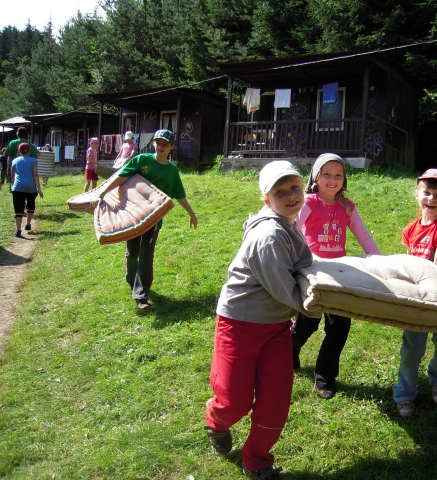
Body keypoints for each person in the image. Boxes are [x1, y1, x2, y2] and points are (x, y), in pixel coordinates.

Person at [205, 161, 319, 480]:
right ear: (266, 199)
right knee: (235, 402)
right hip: (240, 324)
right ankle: (216, 419)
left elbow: (302, 268)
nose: (290, 195)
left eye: (294, 187)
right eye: (279, 192)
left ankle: (257, 461)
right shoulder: (268, 235)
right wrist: (321, 306)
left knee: (275, 401)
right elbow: (284, 288)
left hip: (277, 327)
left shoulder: (289, 223)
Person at [291, 153, 380, 399]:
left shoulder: (347, 206)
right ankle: (289, 353)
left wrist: (380, 262)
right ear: (316, 177)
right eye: (327, 175)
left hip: (339, 275)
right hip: (312, 273)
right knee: (306, 325)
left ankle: (325, 378)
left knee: (339, 328)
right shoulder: (309, 202)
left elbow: (364, 236)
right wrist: (303, 259)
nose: (332, 180)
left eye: (338, 175)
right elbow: (294, 230)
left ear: (344, 179)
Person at [91, 129, 198, 309]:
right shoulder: (142, 160)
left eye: (165, 144)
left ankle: (141, 296)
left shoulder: (172, 171)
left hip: (154, 219)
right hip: (133, 215)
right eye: (158, 143)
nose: (161, 147)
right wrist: (102, 193)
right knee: (132, 254)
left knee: (146, 255)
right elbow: (121, 177)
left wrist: (191, 213)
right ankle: (132, 280)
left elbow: (179, 194)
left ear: (172, 147)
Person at [393, 168, 437, 418]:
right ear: (417, 194)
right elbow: (408, 264)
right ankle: (405, 394)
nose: (431, 199)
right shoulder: (410, 229)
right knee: (412, 347)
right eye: (427, 193)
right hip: (417, 296)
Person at [10, 143, 43, 237]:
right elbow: (35, 175)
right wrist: (39, 189)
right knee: (30, 205)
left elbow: (13, 176)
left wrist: (12, 185)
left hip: (18, 187)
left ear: (19, 151)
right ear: (30, 151)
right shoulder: (34, 161)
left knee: (18, 208)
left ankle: (18, 229)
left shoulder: (14, 160)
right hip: (30, 187)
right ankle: (28, 224)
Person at [5, 127, 38, 192]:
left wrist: (8, 169)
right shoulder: (30, 145)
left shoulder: (12, 143)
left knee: (15, 185)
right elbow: (34, 159)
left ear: (17, 134)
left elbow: (9, 157)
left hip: (15, 169)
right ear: (26, 134)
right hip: (28, 169)